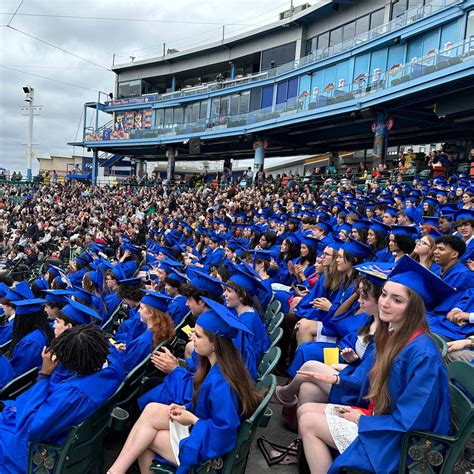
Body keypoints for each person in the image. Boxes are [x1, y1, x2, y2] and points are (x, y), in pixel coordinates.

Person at [297, 256, 452, 474]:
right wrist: (343, 383)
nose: (385, 303)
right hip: (380, 419)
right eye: (385, 294)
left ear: (414, 308)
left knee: (309, 423)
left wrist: (362, 419)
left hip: (399, 440)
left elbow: (414, 420)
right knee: (305, 409)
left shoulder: (423, 355)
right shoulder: (393, 333)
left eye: (397, 300)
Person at [107, 298, 260, 474]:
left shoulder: (221, 383)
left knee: (146, 440)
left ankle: (114, 471)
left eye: (198, 335)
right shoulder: (217, 368)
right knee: (150, 410)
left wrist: (192, 419)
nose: (192, 338)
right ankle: (115, 471)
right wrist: (185, 408)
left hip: (210, 448)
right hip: (203, 430)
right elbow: (205, 407)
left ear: (214, 345)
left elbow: (224, 434)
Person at [0, 324, 124, 473]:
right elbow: (111, 349)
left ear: (73, 363)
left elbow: (29, 429)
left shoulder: (74, 394)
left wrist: (44, 374)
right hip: (79, 441)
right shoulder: (113, 367)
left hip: (39, 450)